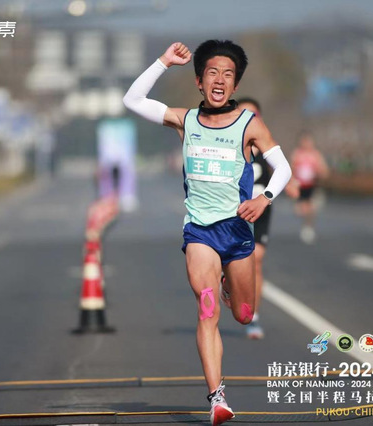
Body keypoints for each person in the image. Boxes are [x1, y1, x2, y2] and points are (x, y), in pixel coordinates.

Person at [123, 41, 291, 425]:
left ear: (235, 85)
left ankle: (231, 286)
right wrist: (164, 62)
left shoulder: (249, 124)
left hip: (238, 231)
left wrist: (264, 198)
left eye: (228, 75)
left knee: (244, 315)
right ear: (199, 81)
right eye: (212, 73)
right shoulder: (185, 121)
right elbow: (132, 100)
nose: (220, 80)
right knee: (207, 306)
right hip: (200, 231)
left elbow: (283, 168)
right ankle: (217, 399)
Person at [236, 97, 268, 340]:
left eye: (253, 115)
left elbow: (282, 168)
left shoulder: (266, 142)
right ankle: (228, 283)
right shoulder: (230, 143)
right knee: (231, 261)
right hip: (234, 211)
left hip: (262, 210)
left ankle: (253, 316)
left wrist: (290, 183)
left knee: (256, 259)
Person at [289, 130, 329, 244]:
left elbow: (324, 170)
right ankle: (305, 224)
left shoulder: (316, 155)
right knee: (301, 209)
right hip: (300, 185)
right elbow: (291, 169)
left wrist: (318, 173)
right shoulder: (297, 154)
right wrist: (292, 181)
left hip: (312, 185)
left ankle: (308, 227)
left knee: (311, 207)